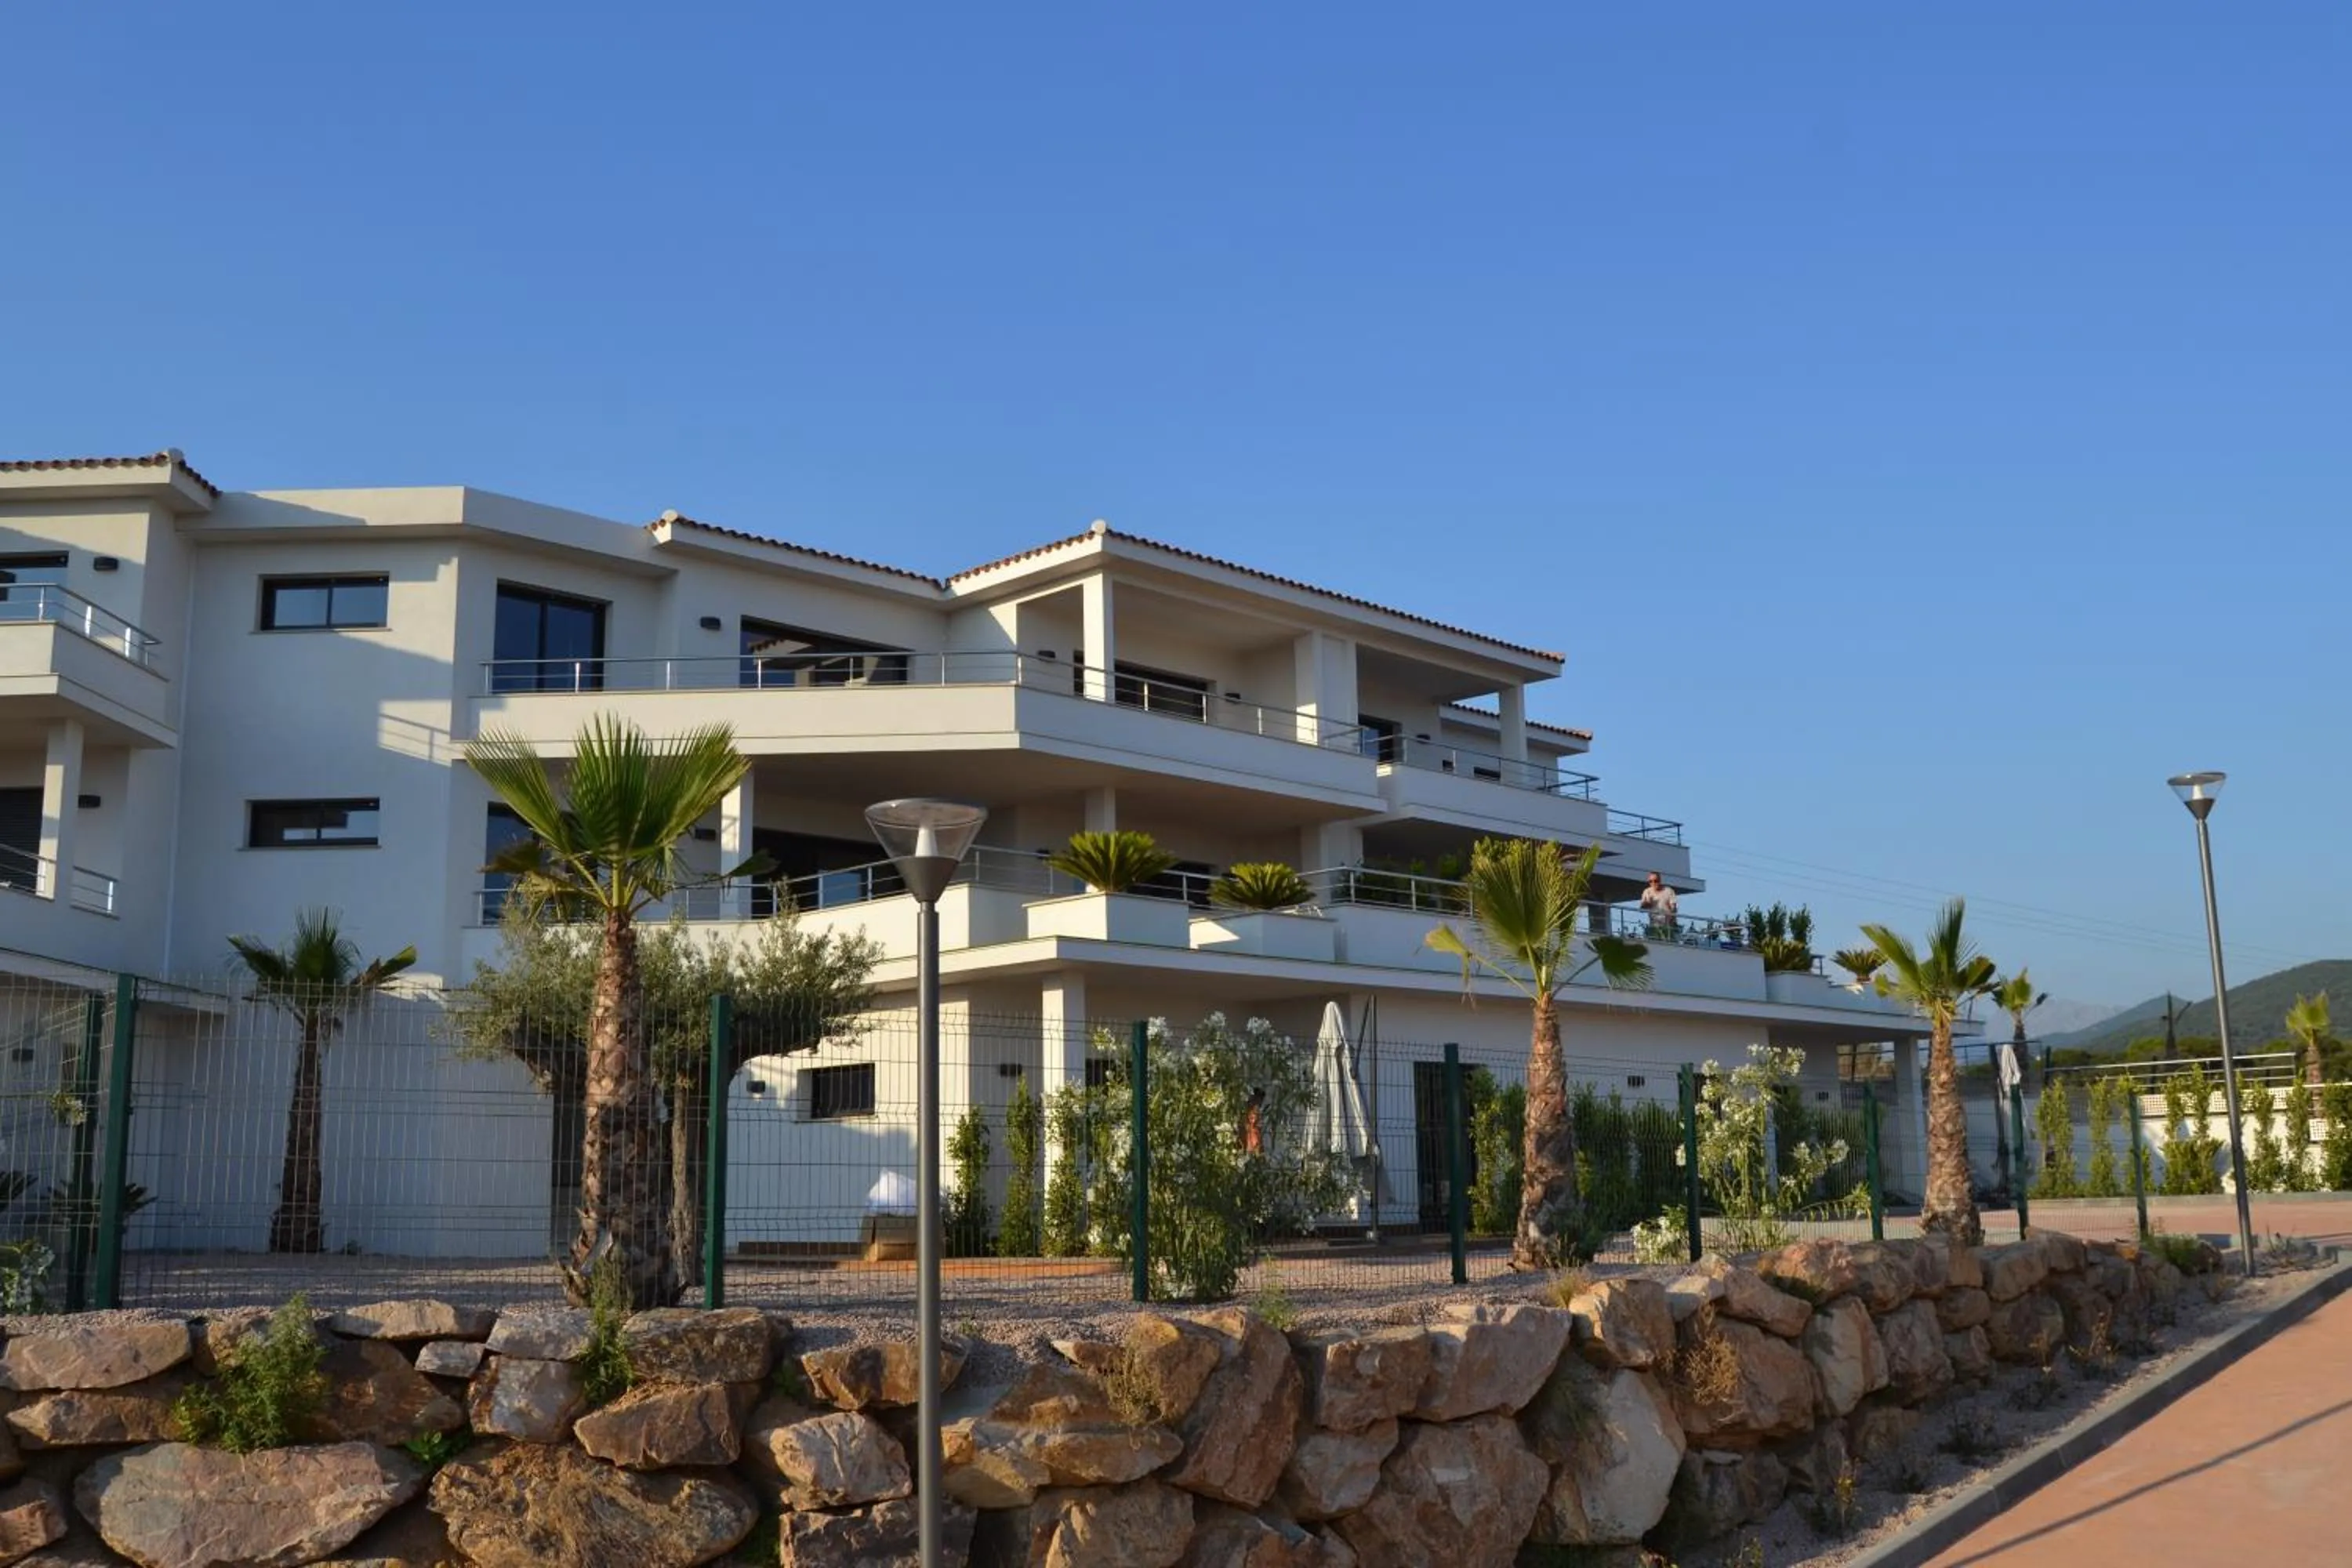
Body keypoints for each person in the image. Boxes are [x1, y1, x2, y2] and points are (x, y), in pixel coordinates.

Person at [1639, 872, 1679, 938]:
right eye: (1651, 881)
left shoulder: (1669, 891)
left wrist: (1671, 917)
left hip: (1668, 925)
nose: (1653, 883)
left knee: (1668, 945)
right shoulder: (1647, 892)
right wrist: (1647, 903)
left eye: (1656, 881)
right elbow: (1641, 909)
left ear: (1660, 881)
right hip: (1654, 925)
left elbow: (1674, 908)